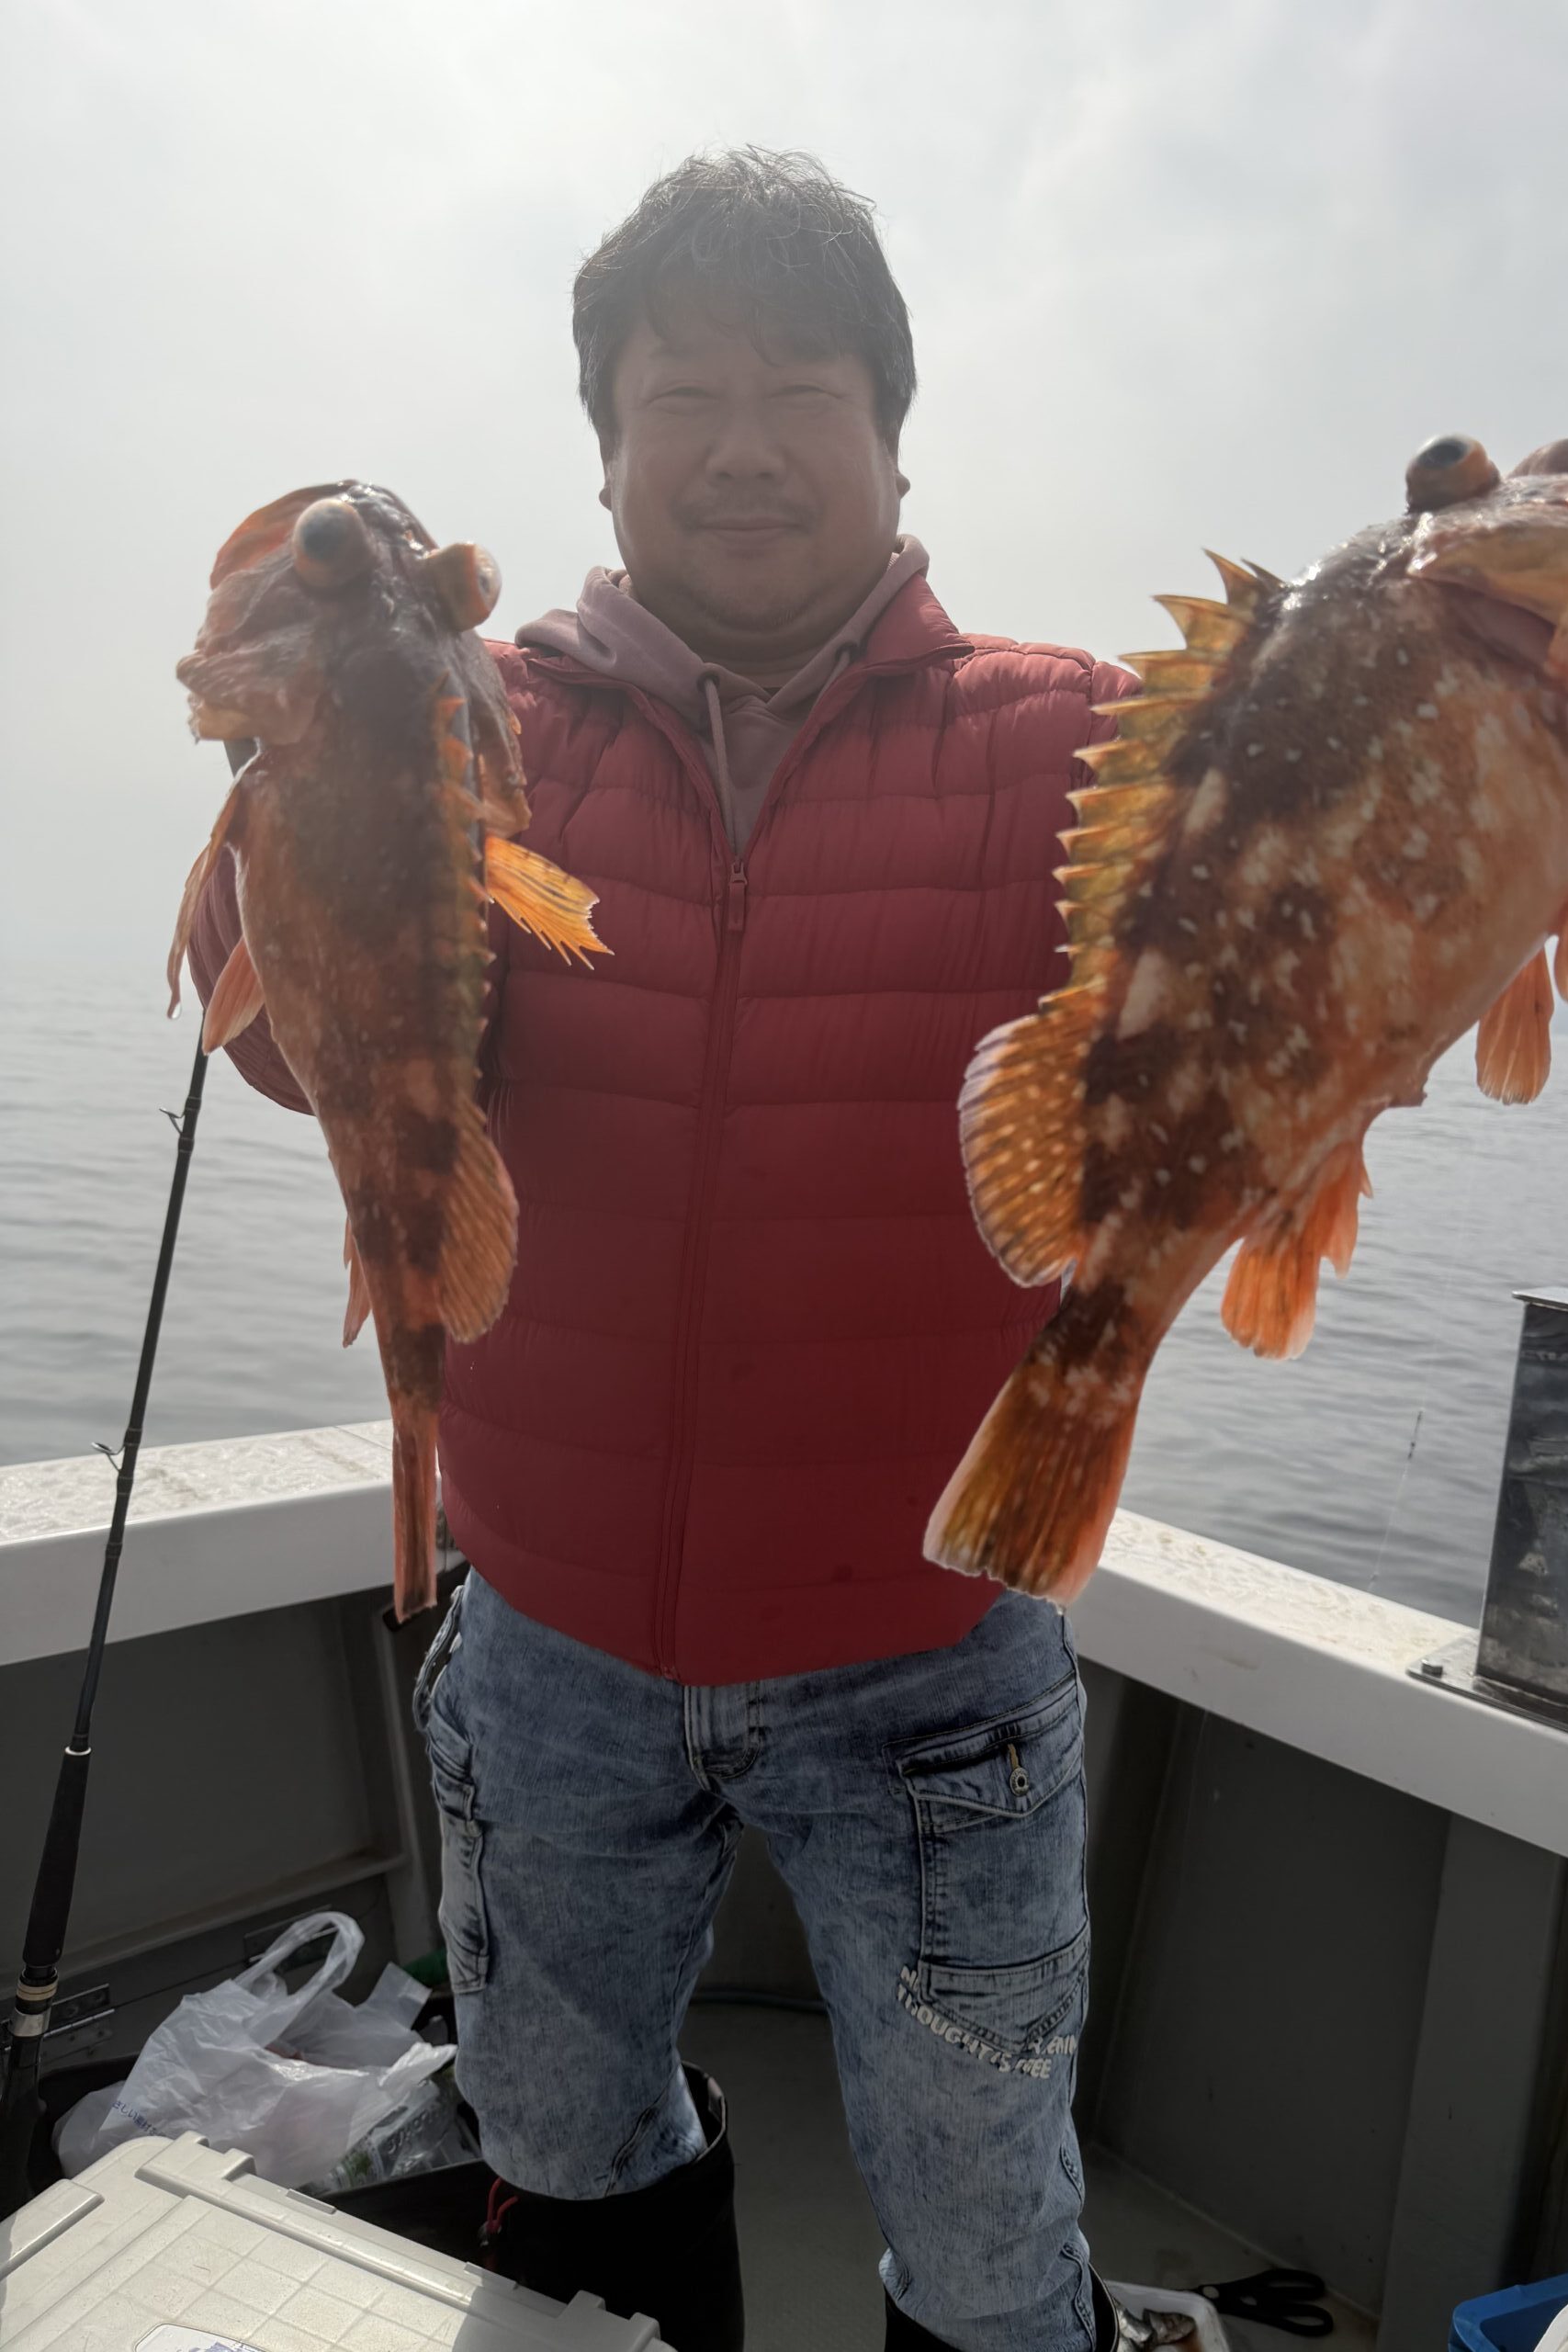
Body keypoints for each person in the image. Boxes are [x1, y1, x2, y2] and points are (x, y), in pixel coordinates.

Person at [190, 147, 1151, 2352]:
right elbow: (292, 1060)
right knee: (554, 2146)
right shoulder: (475, 719)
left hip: (932, 1656)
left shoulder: (1072, 743)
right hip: (553, 1645)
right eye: (679, 392)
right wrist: (274, 791)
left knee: (993, 2230)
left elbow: (1259, 959)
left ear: (893, 433)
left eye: (799, 388)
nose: (738, 444)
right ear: (606, 450)